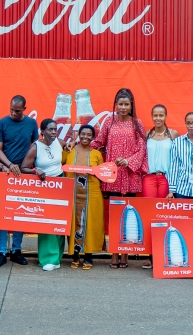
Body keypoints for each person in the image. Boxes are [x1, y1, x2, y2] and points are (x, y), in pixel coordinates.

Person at [90, 88, 147, 269]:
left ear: (131, 106)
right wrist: (79, 144)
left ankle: (125, 255)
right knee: (115, 217)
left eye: (126, 104)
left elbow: (142, 149)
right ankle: (114, 253)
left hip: (130, 176)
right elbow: (99, 142)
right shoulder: (109, 121)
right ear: (116, 105)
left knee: (128, 216)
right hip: (112, 176)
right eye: (120, 104)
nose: (123, 107)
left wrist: (128, 161)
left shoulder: (137, 124)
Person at [0, 95, 40, 268]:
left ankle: (17, 250)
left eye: (17, 110)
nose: (13, 113)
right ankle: (1, 252)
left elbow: (35, 146)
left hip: (24, 175)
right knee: (3, 213)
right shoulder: (1, 123)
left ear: (25, 109)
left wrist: (28, 168)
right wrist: (10, 165)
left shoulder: (31, 124)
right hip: (5, 173)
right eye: (11, 109)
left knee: (20, 211)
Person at [21, 119, 68, 271]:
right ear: (42, 131)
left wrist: (71, 144)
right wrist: (36, 170)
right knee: (46, 222)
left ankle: (57, 258)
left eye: (55, 129)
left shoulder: (60, 143)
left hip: (60, 184)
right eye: (50, 130)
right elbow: (24, 168)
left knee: (59, 222)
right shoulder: (36, 147)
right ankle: (47, 259)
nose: (54, 132)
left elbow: (69, 149)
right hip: (44, 186)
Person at [62, 124, 105, 270]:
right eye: (83, 134)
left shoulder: (96, 154)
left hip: (91, 194)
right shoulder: (69, 151)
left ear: (93, 137)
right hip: (72, 194)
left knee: (90, 224)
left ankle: (88, 256)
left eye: (89, 135)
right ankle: (75, 255)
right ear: (78, 135)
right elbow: (59, 163)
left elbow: (102, 175)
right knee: (74, 223)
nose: (85, 137)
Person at [144, 104, 178, 198]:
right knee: (149, 206)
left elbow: (180, 156)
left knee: (164, 208)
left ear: (166, 116)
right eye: (155, 115)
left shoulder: (173, 134)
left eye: (161, 115)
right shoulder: (147, 134)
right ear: (152, 116)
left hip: (166, 178)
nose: (158, 118)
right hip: (149, 177)